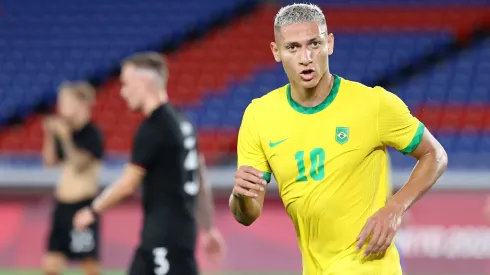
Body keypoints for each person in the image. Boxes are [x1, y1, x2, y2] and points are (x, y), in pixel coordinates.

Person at [229, 3, 448, 274]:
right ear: (276, 52)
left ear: (329, 43)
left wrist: (394, 208)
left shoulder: (373, 104)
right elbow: (248, 214)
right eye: (293, 47)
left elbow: (435, 155)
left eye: (315, 44)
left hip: (369, 265)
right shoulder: (259, 116)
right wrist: (239, 196)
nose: (306, 57)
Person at [73, 52, 225, 275]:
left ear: (143, 83)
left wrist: (92, 211)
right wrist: (208, 228)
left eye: (125, 84)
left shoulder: (153, 128)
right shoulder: (184, 122)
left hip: (164, 242)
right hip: (170, 239)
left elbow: (128, 183)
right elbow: (200, 178)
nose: (122, 92)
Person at [42, 81, 104, 275]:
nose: (61, 108)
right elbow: (50, 162)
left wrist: (66, 137)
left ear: (81, 104)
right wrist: (51, 135)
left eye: (66, 102)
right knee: (51, 265)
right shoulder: (65, 132)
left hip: (82, 207)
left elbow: (79, 164)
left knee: (88, 266)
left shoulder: (92, 134)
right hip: (62, 206)